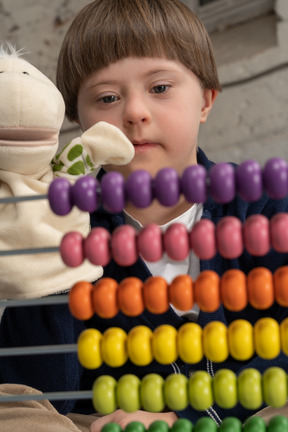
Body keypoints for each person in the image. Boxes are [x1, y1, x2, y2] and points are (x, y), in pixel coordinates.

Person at [1, 1, 288, 431]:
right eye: (108, 97)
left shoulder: (265, 210)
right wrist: (46, 268)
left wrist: (182, 418)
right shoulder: (65, 228)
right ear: (81, 123)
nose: (135, 112)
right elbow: (41, 390)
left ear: (206, 101)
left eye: (160, 88)